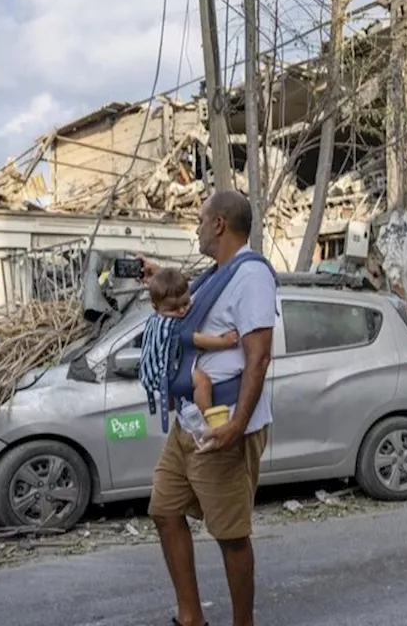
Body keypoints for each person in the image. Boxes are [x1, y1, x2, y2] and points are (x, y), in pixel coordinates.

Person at [140, 189, 276, 626]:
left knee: (230, 534)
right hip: (190, 422)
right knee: (164, 509)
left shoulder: (251, 276)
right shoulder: (218, 274)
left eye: (200, 221)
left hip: (222, 424)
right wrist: (158, 275)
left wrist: (237, 426)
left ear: (219, 224)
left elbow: (258, 356)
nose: (196, 229)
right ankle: (191, 617)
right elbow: (186, 301)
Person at [137, 266, 241, 449]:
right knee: (203, 382)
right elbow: (197, 339)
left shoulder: (154, 319)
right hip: (171, 373)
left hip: (160, 374)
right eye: (173, 309)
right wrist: (224, 341)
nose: (182, 311)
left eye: (186, 304)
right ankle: (207, 418)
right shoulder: (173, 325)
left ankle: (170, 401)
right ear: (156, 307)